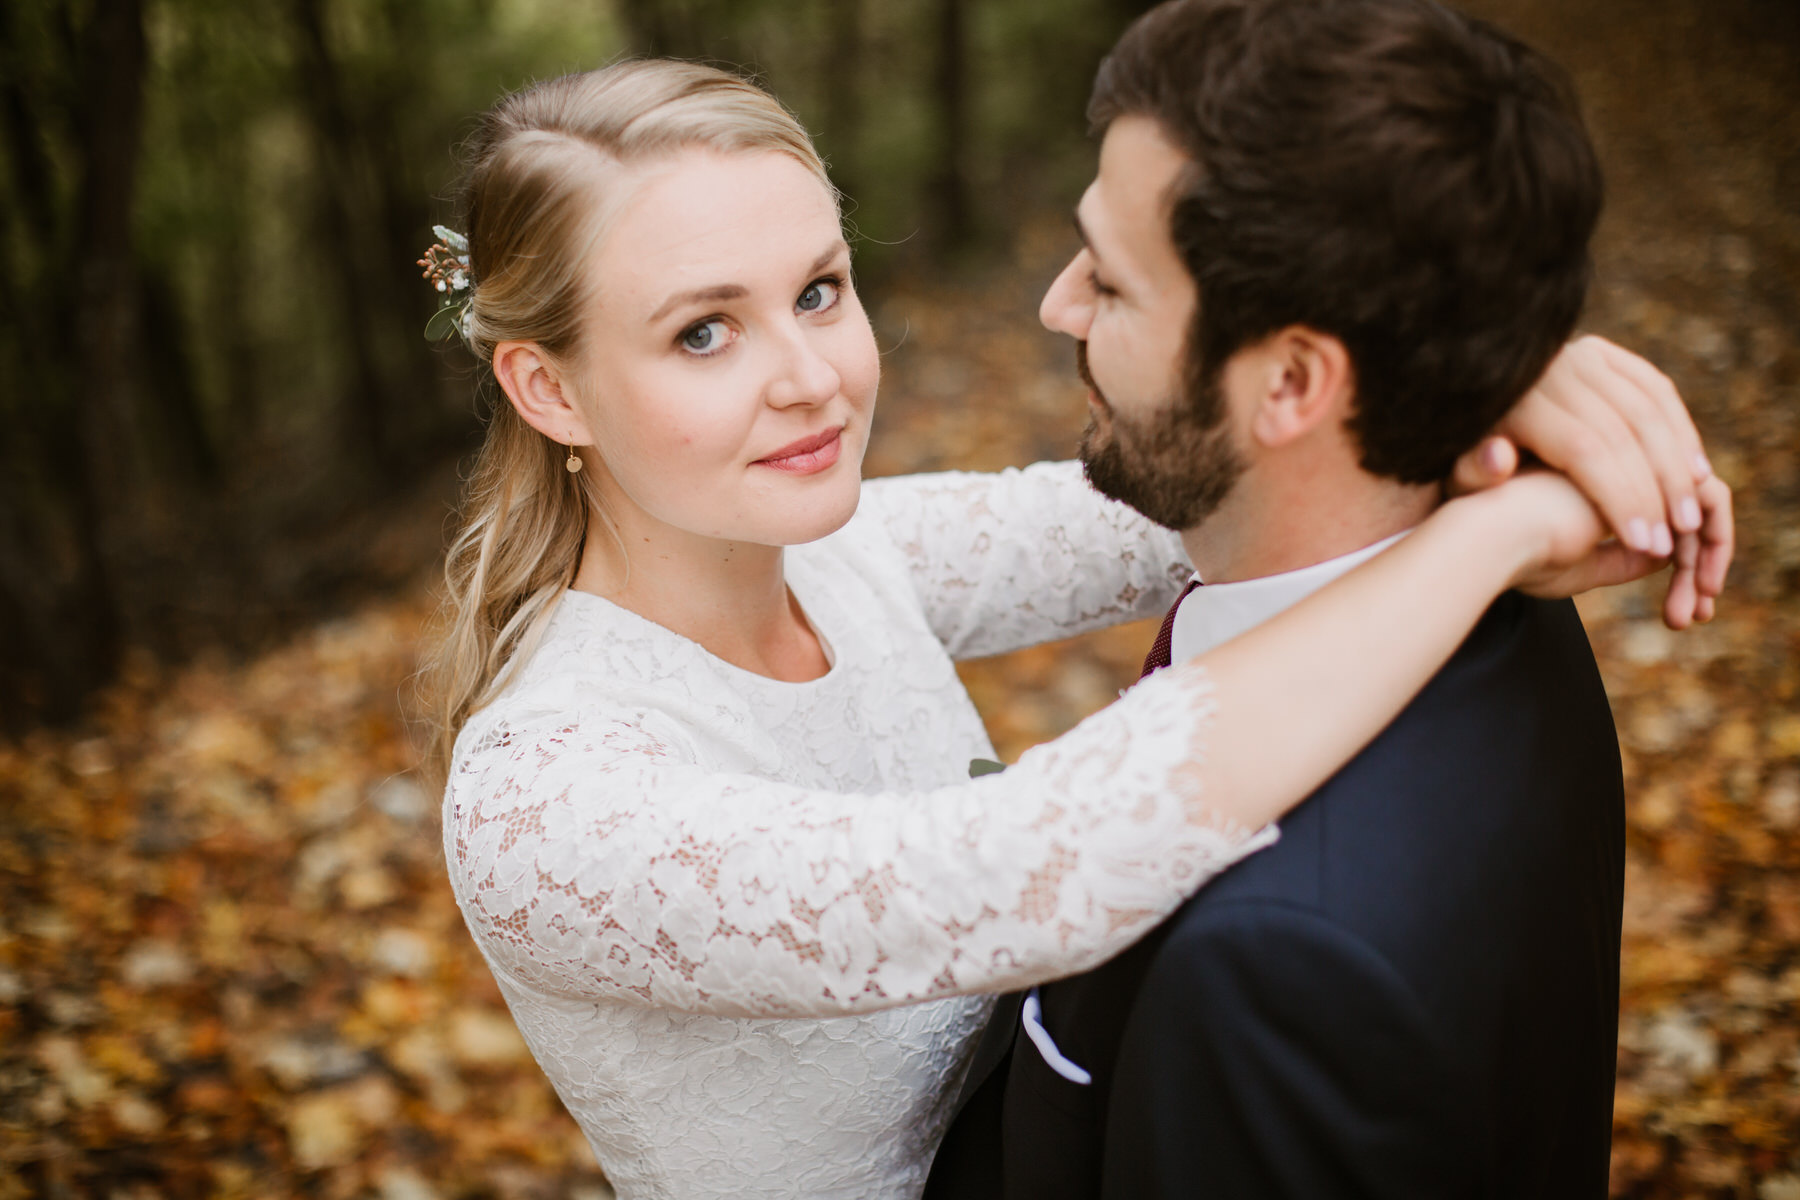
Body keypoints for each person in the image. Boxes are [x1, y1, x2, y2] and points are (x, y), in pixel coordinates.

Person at [419, 58, 1728, 1200]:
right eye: (705, 332)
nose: (812, 377)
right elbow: (1015, 872)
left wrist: (1474, 363)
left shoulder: (843, 555)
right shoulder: (539, 798)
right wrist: (1494, 535)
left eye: (819, 290)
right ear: (548, 387)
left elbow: (1208, 490)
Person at [923, 2, 1731, 1197]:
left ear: (1295, 380)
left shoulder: (1276, 973)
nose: (1057, 305)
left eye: (1113, 281)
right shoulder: (1496, 609)